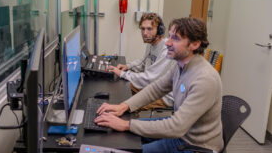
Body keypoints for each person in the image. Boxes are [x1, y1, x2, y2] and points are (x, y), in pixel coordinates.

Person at [95, 17, 224, 153]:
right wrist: (123, 106)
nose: (167, 43)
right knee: (123, 136)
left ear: (195, 44)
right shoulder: (180, 66)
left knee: (129, 147)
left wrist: (127, 124)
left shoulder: (204, 79)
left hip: (195, 145)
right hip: (182, 132)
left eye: (176, 38)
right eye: (169, 36)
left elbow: (176, 127)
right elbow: (156, 89)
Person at [108, 12, 175, 109]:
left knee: (126, 106)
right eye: (143, 29)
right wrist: (127, 66)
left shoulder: (166, 49)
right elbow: (143, 63)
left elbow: (150, 78)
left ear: (159, 30)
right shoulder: (151, 43)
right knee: (121, 87)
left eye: (149, 29)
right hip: (151, 87)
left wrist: (123, 74)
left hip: (164, 96)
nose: (145, 33)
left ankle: (129, 122)